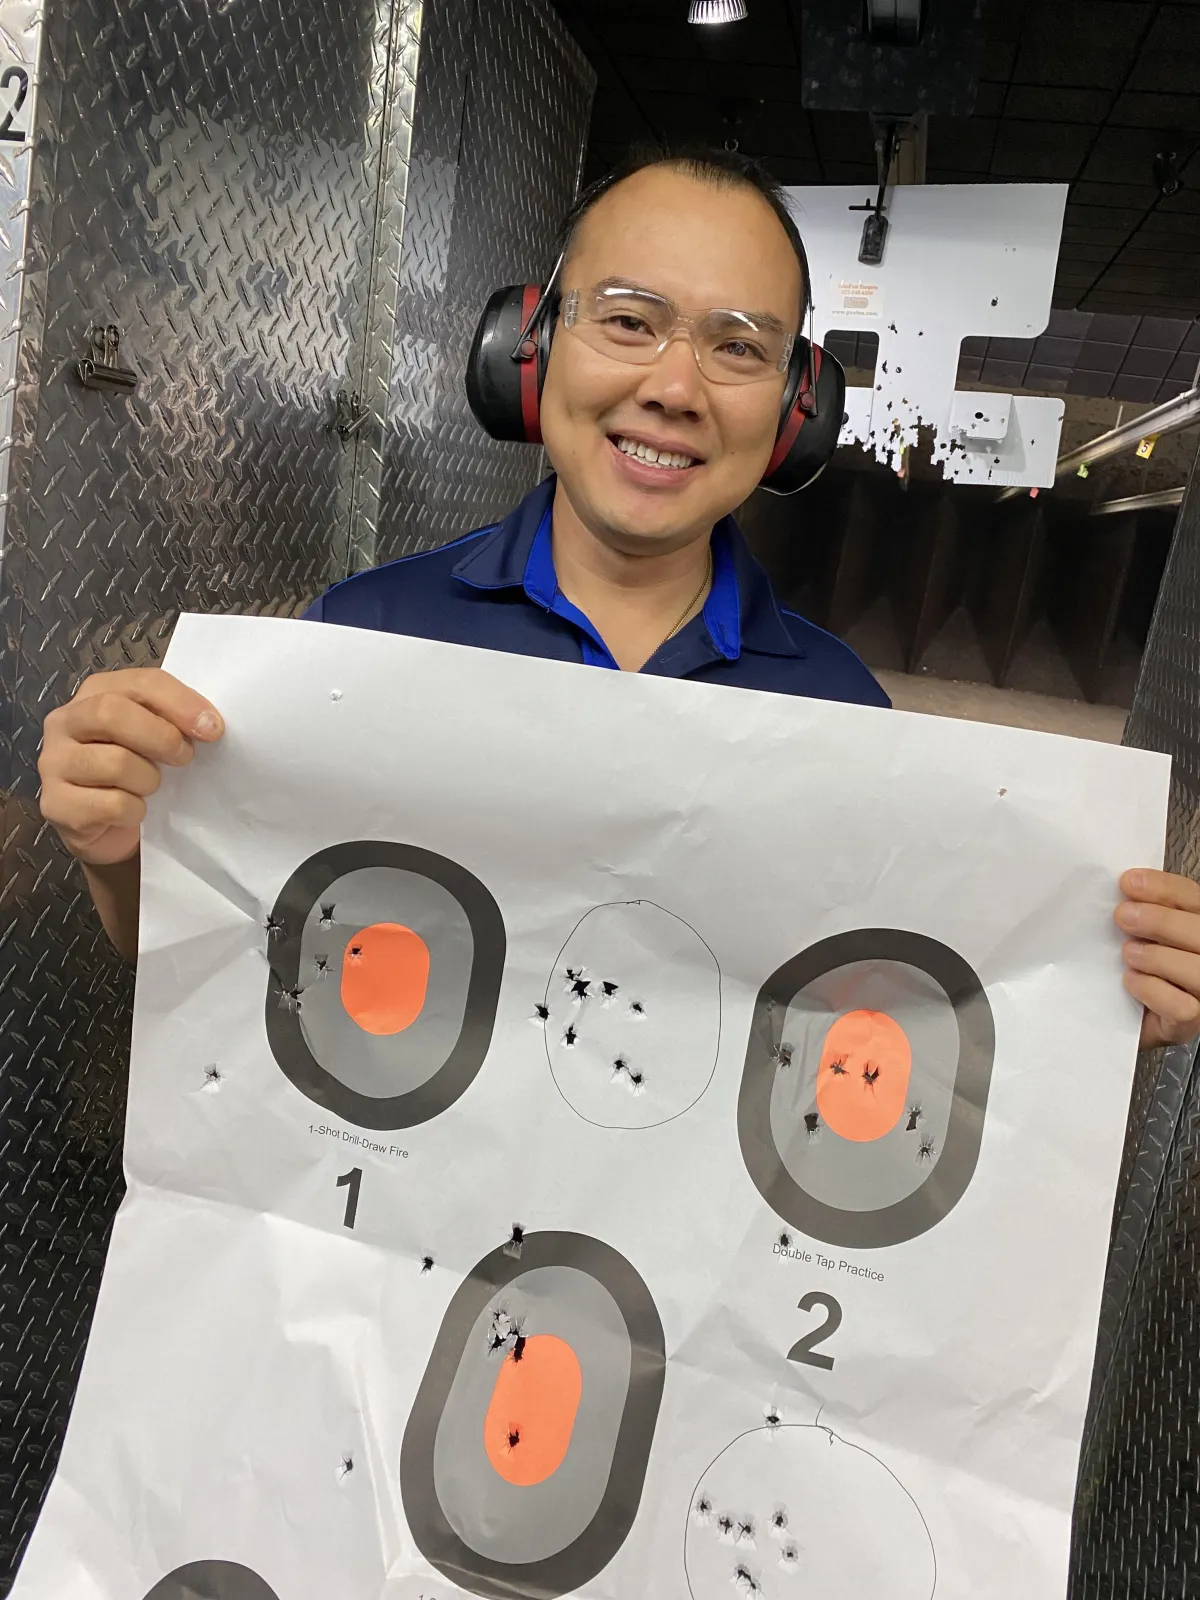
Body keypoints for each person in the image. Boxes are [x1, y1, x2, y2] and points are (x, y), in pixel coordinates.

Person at [37, 144, 1200, 1049]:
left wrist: (1086, 1016)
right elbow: (225, 964)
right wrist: (120, 851)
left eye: (738, 349)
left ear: (797, 408)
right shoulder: (360, 639)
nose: (676, 386)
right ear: (529, 349)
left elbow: (854, 1025)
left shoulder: (842, 711)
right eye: (630, 321)